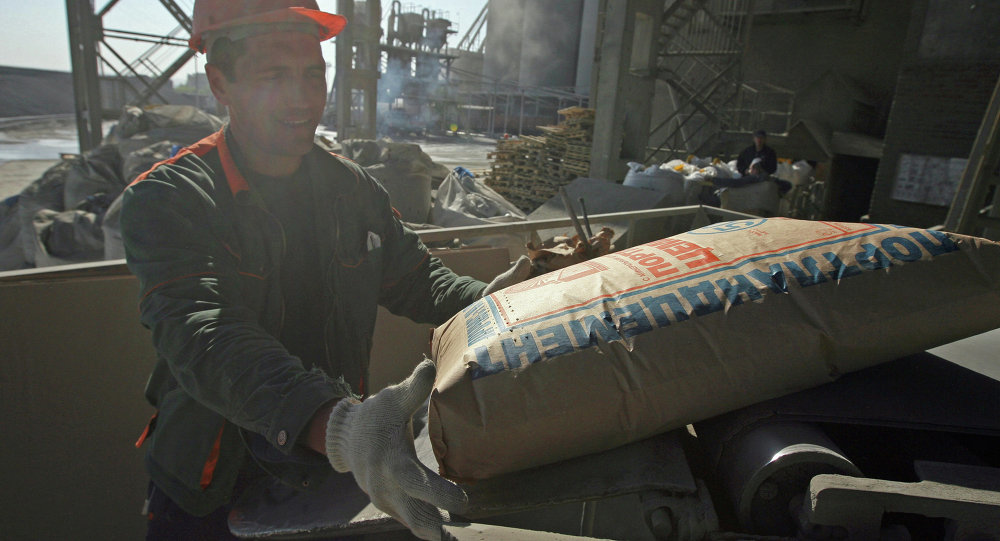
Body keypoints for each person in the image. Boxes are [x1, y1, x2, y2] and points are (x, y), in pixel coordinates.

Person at [120, 2, 529, 540]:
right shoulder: (170, 197)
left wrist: (504, 305)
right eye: (274, 76)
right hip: (215, 486)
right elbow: (201, 330)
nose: (303, 99)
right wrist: (338, 425)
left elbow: (415, 278)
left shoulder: (350, 190)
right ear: (220, 83)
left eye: (314, 75)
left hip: (327, 469)